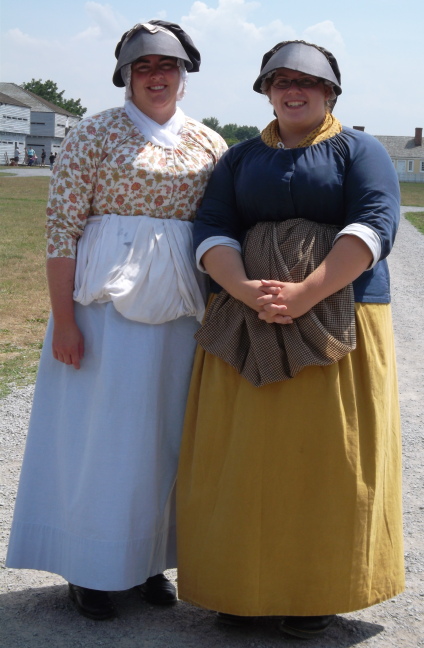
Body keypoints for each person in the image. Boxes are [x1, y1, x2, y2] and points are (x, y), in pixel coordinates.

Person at [177, 40, 404, 639]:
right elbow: (214, 224)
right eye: (279, 80)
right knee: (244, 460)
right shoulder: (240, 158)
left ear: (330, 90)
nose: (291, 89)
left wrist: (307, 293)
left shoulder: (362, 150)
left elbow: (376, 220)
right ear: (266, 90)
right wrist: (246, 290)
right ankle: (238, 589)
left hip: (341, 318)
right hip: (248, 316)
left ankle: (314, 593)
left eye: (305, 80)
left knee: (325, 460)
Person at [6, 20, 226, 621]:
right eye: (144, 67)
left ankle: (149, 560)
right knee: (102, 439)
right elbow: (61, 230)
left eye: (168, 67)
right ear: (126, 75)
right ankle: (91, 569)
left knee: (165, 437)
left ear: (185, 76)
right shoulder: (94, 133)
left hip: (179, 313)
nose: (157, 77)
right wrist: (64, 322)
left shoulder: (208, 144)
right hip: (103, 314)